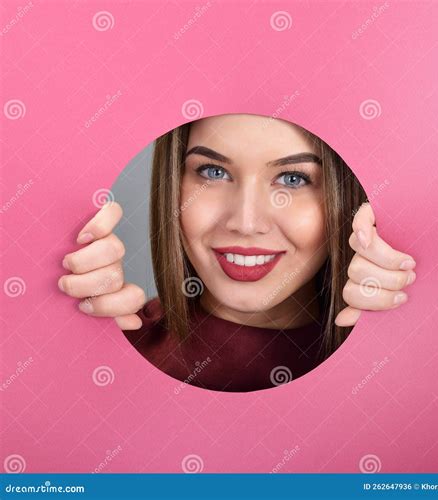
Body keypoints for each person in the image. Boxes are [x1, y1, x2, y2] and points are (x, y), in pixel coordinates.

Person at [57, 114, 416, 392]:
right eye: (213, 172)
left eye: (293, 178)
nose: (245, 223)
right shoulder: (114, 348)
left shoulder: (401, 368)